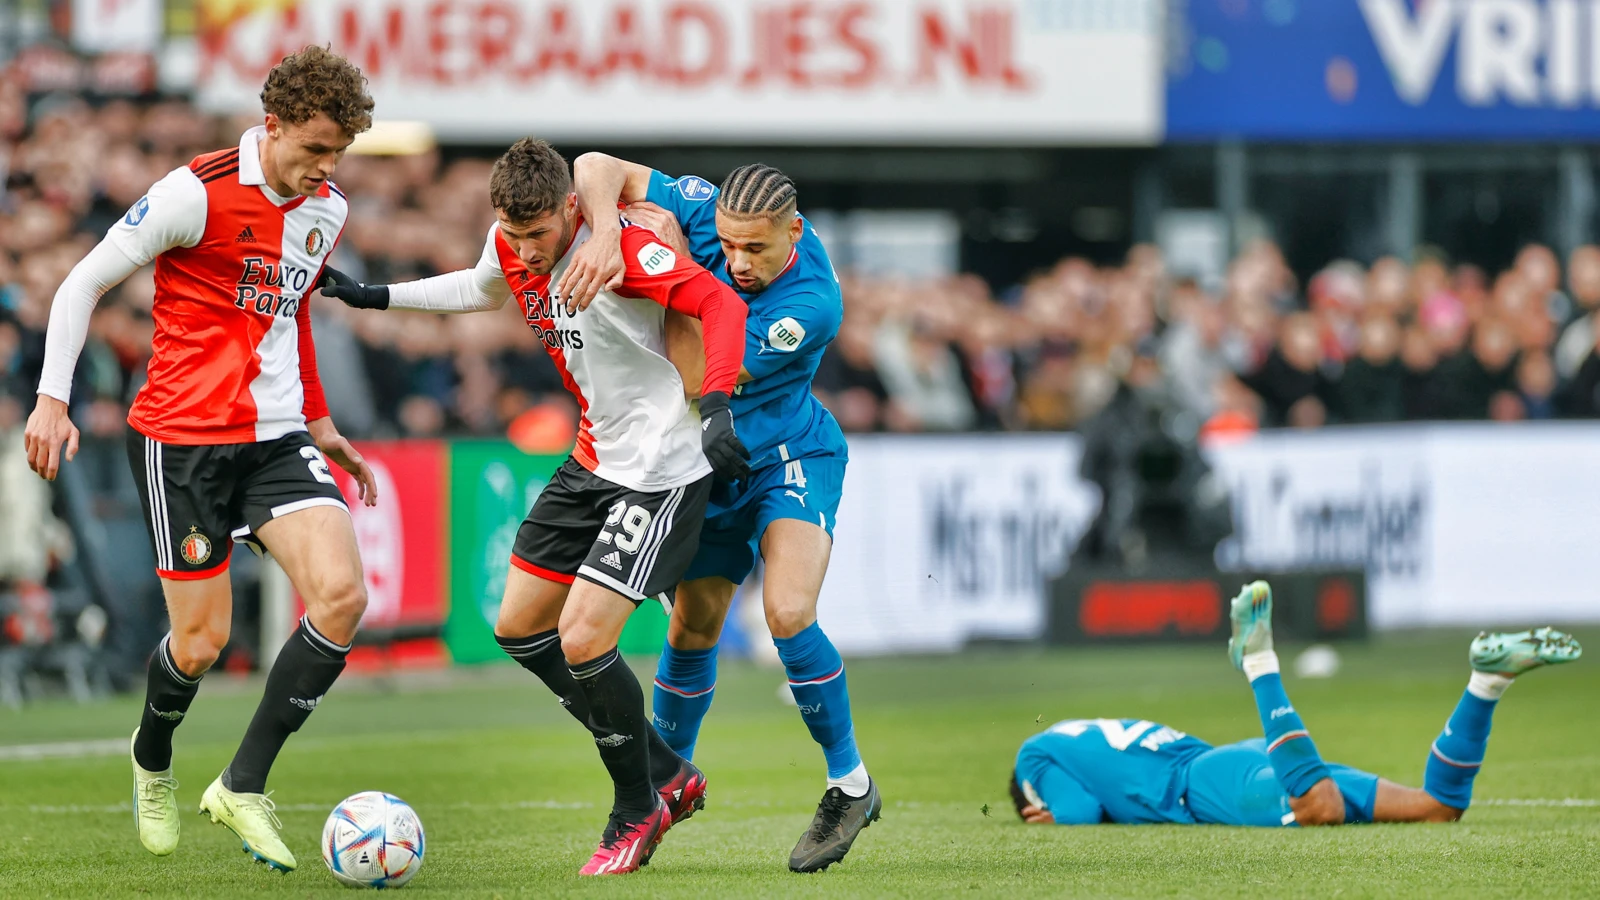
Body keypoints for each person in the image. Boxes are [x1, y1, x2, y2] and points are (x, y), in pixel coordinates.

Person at [317, 137, 751, 876]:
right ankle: (667, 769)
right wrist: (375, 296)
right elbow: (478, 287)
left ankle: (637, 805)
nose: (526, 250)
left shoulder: (623, 250)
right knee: (519, 627)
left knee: (583, 639)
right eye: (513, 235)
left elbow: (716, 301)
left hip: (660, 466)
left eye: (539, 233)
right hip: (592, 459)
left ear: (572, 211)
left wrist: (715, 407)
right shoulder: (510, 245)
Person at [22, 47, 379, 871]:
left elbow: (287, 319)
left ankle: (242, 783)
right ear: (274, 125)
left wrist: (320, 426)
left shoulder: (327, 210)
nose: (325, 168)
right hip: (183, 441)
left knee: (342, 597)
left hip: (278, 437)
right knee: (200, 644)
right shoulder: (195, 191)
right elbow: (81, 284)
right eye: (314, 148)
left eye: (339, 154)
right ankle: (152, 761)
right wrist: (52, 398)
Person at [558, 155, 880, 873]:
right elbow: (594, 166)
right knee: (693, 623)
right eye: (726, 244)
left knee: (788, 612)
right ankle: (666, 784)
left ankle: (849, 784)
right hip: (705, 462)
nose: (736, 261)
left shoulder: (812, 303)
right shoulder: (714, 210)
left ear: (794, 231)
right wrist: (611, 232)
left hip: (787, 455)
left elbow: (698, 367)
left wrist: (671, 266)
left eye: (754, 249)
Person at [1010, 581, 1581, 827]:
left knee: (1319, 808)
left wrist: (1049, 816)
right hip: (1239, 760)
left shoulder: (1032, 758)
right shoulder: (1069, 733)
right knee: (1437, 808)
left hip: (1205, 785)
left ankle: (1258, 664)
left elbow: (1080, 814)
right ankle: (1487, 681)